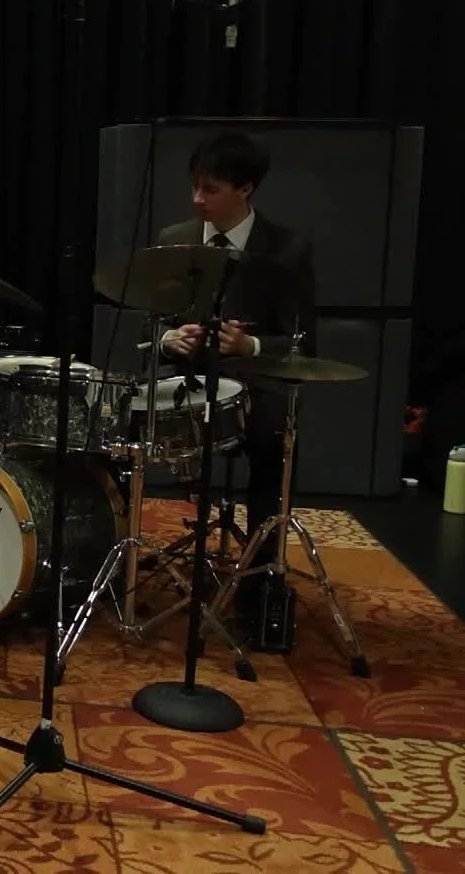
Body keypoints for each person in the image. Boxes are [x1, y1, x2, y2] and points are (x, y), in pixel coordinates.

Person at [156, 131, 317, 635]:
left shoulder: (288, 249)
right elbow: (151, 323)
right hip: (190, 380)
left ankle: (260, 576)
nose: (196, 199)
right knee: (122, 418)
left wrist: (249, 346)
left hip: (257, 386)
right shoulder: (174, 239)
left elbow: (303, 343)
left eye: (211, 189)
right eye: (195, 186)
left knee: (274, 441)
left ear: (246, 188)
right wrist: (168, 339)